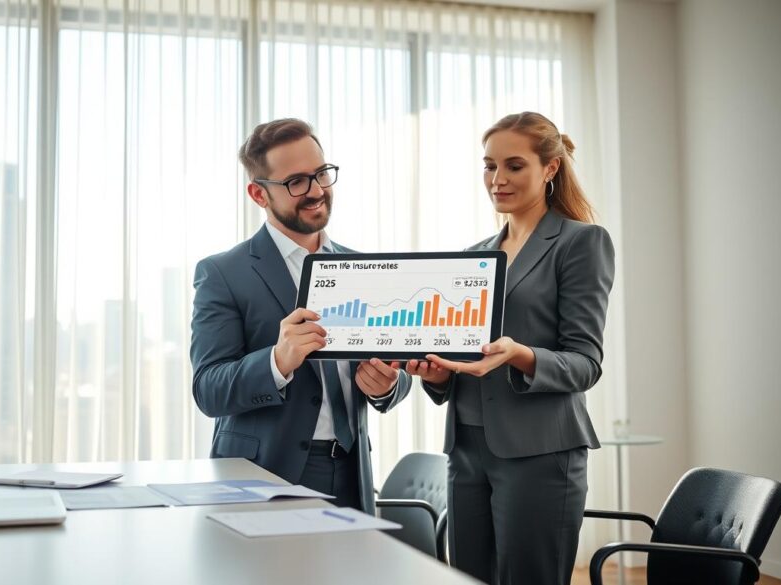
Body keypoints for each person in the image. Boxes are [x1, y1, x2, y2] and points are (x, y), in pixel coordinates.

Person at [407, 112, 615, 584]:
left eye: (514, 166)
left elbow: (585, 363)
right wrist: (439, 373)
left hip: (540, 451)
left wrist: (519, 354)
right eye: (489, 166)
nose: (498, 180)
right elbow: (463, 355)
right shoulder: (473, 255)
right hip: (466, 447)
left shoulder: (580, 243)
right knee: (469, 577)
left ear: (550, 169)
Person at [190, 118, 411, 512]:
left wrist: (388, 385)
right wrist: (277, 361)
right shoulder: (223, 273)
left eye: (321, 174)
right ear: (259, 194)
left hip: (352, 471)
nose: (316, 191)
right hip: (265, 474)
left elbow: (401, 364)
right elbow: (208, 389)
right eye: (296, 182)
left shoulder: (364, 267)